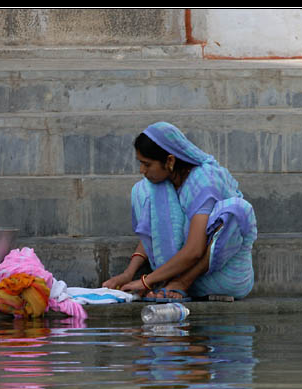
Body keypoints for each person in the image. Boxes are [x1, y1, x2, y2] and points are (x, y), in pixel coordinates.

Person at [102, 122, 257, 300]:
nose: (142, 170)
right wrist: (128, 274)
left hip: (219, 277)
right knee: (142, 189)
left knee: (238, 210)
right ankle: (172, 281)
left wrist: (146, 281)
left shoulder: (203, 181)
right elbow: (154, 231)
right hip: (170, 277)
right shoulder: (167, 183)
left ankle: (182, 283)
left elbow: (195, 250)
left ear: (170, 161)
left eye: (147, 164)